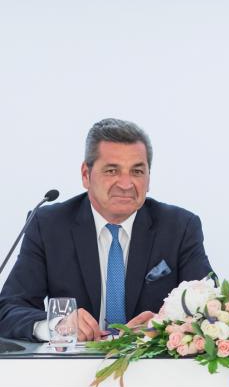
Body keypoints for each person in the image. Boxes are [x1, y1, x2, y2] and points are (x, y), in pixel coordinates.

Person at [0, 118, 214, 342]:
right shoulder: (49, 225)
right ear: (86, 175)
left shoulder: (180, 227)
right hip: (73, 362)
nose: (126, 184)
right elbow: (8, 309)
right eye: (112, 171)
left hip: (149, 361)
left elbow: (211, 308)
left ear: (149, 178)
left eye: (137, 171)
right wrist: (57, 325)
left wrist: (162, 326)